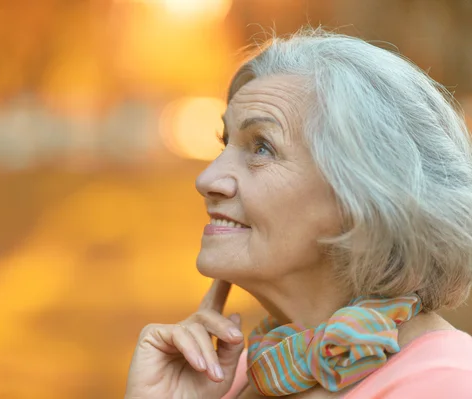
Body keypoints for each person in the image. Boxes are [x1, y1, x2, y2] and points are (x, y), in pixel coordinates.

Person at [124, 28, 472, 398]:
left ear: (363, 196)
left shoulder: (446, 382)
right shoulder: (245, 373)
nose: (207, 178)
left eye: (261, 148)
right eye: (226, 144)